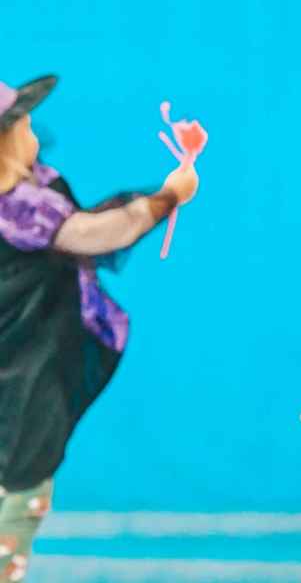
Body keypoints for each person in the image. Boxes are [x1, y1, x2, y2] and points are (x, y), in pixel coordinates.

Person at [0, 75, 198, 582]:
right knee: (15, 502)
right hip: (19, 386)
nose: (34, 135)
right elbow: (95, 233)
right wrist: (167, 197)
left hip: (17, 380)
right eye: (24, 127)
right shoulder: (21, 209)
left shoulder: (33, 201)